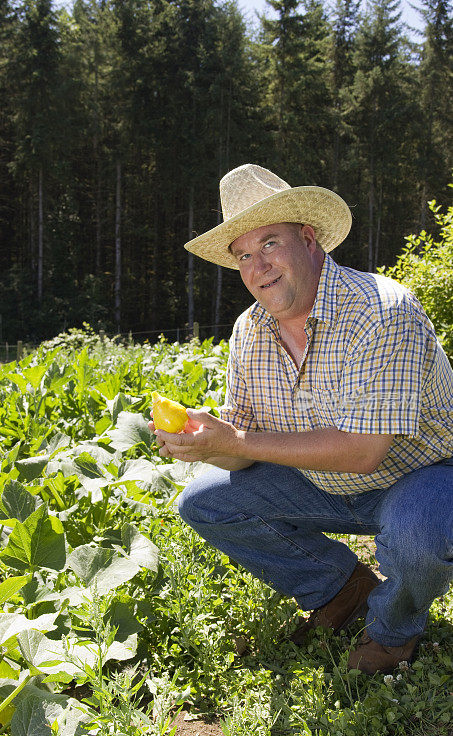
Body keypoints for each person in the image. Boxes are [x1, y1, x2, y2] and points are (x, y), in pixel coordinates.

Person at [150, 164, 453, 674]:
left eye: (270, 244)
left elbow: (363, 451)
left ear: (310, 241)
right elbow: (241, 457)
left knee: (418, 531)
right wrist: (207, 443)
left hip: (425, 477)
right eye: (243, 255)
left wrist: (240, 439)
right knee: (204, 502)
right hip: (325, 485)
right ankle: (341, 590)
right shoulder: (249, 332)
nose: (258, 266)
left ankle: (393, 632)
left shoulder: (382, 311)